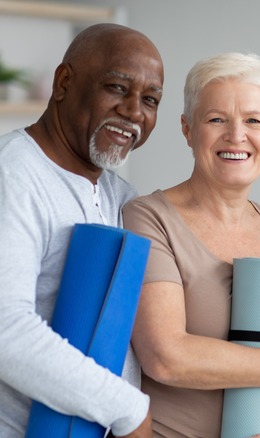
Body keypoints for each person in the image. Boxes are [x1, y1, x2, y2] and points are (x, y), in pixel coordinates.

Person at [122, 52, 260, 437]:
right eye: (216, 119)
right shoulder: (147, 219)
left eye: (253, 121)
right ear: (187, 129)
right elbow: (166, 357)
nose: (236, 135)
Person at [0, 23, 163, 437]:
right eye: (117, 88)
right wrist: (129, 410)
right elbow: (7, 329)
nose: (134, 112)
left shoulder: (122, 196)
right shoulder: (14, 174)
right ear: (64, 82)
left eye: (150, 99)